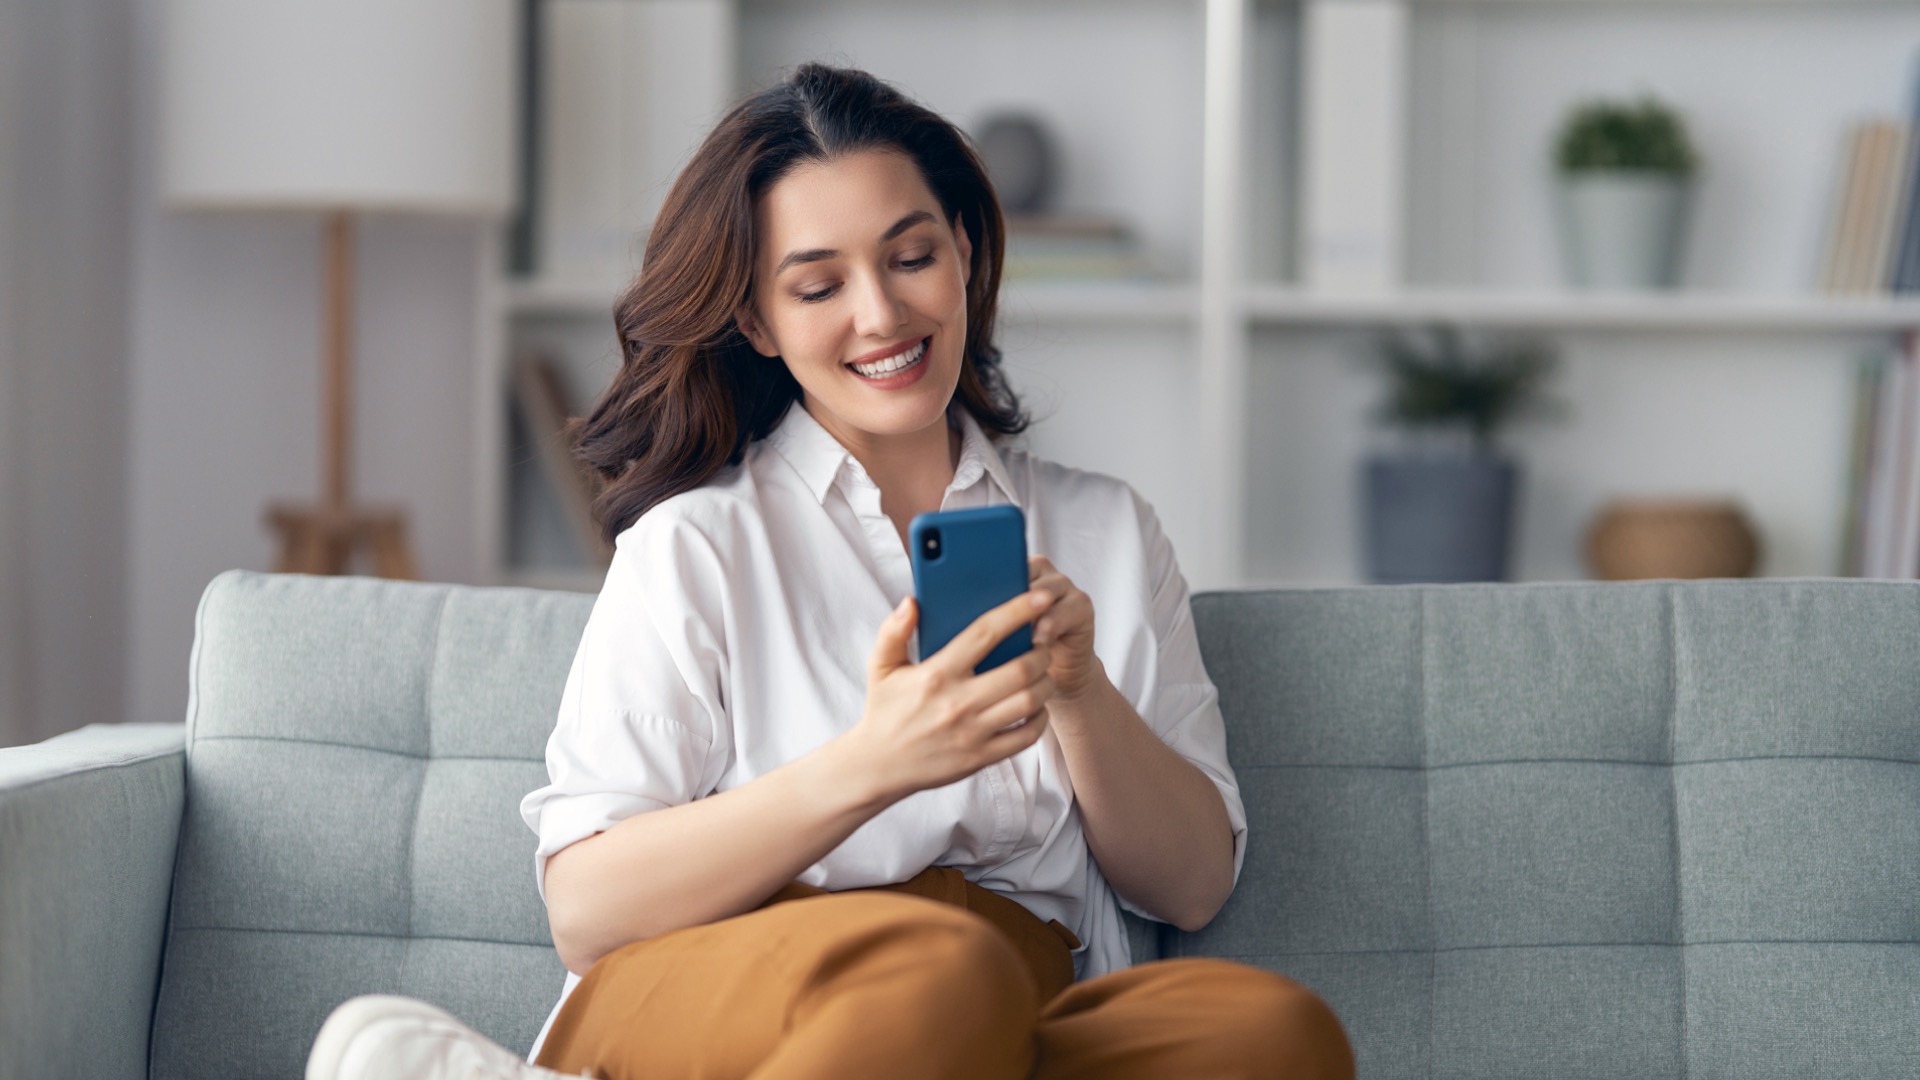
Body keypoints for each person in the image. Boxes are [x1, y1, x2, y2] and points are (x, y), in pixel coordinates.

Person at [305, 63, 1354, 1080]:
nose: (883, 316)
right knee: (940, 972)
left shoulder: (1106, 532)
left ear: (966, 250)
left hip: (1012, 1009)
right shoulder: (696, 545)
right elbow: (588, 908)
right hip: (748, 990)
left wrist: (1077, 695)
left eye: (910, 258)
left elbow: (1193, 884)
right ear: (758, 320)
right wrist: (874, 764)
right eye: (819, 284)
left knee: (1266, 1033)